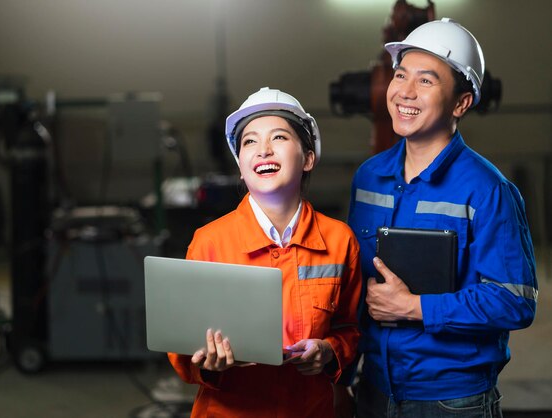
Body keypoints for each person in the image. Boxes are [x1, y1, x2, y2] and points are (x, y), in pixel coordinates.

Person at [347, 18, 538, 417]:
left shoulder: (487, 190)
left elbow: (514, 301)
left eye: (427, 81)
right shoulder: (369, 178)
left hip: (452, 400)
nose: (405, 92)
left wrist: (414, 308)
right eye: (401, 75)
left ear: (461, 103)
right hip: (374, 390)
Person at [168, 87, 362, 417]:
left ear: (308, 158)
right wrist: (209, 362)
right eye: (250, 142)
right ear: (241, 168)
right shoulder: (210, 241)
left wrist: (329, 351)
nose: (264, 150)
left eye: (280, 137)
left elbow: (351, 329)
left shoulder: (339, 240)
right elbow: (182, 348)